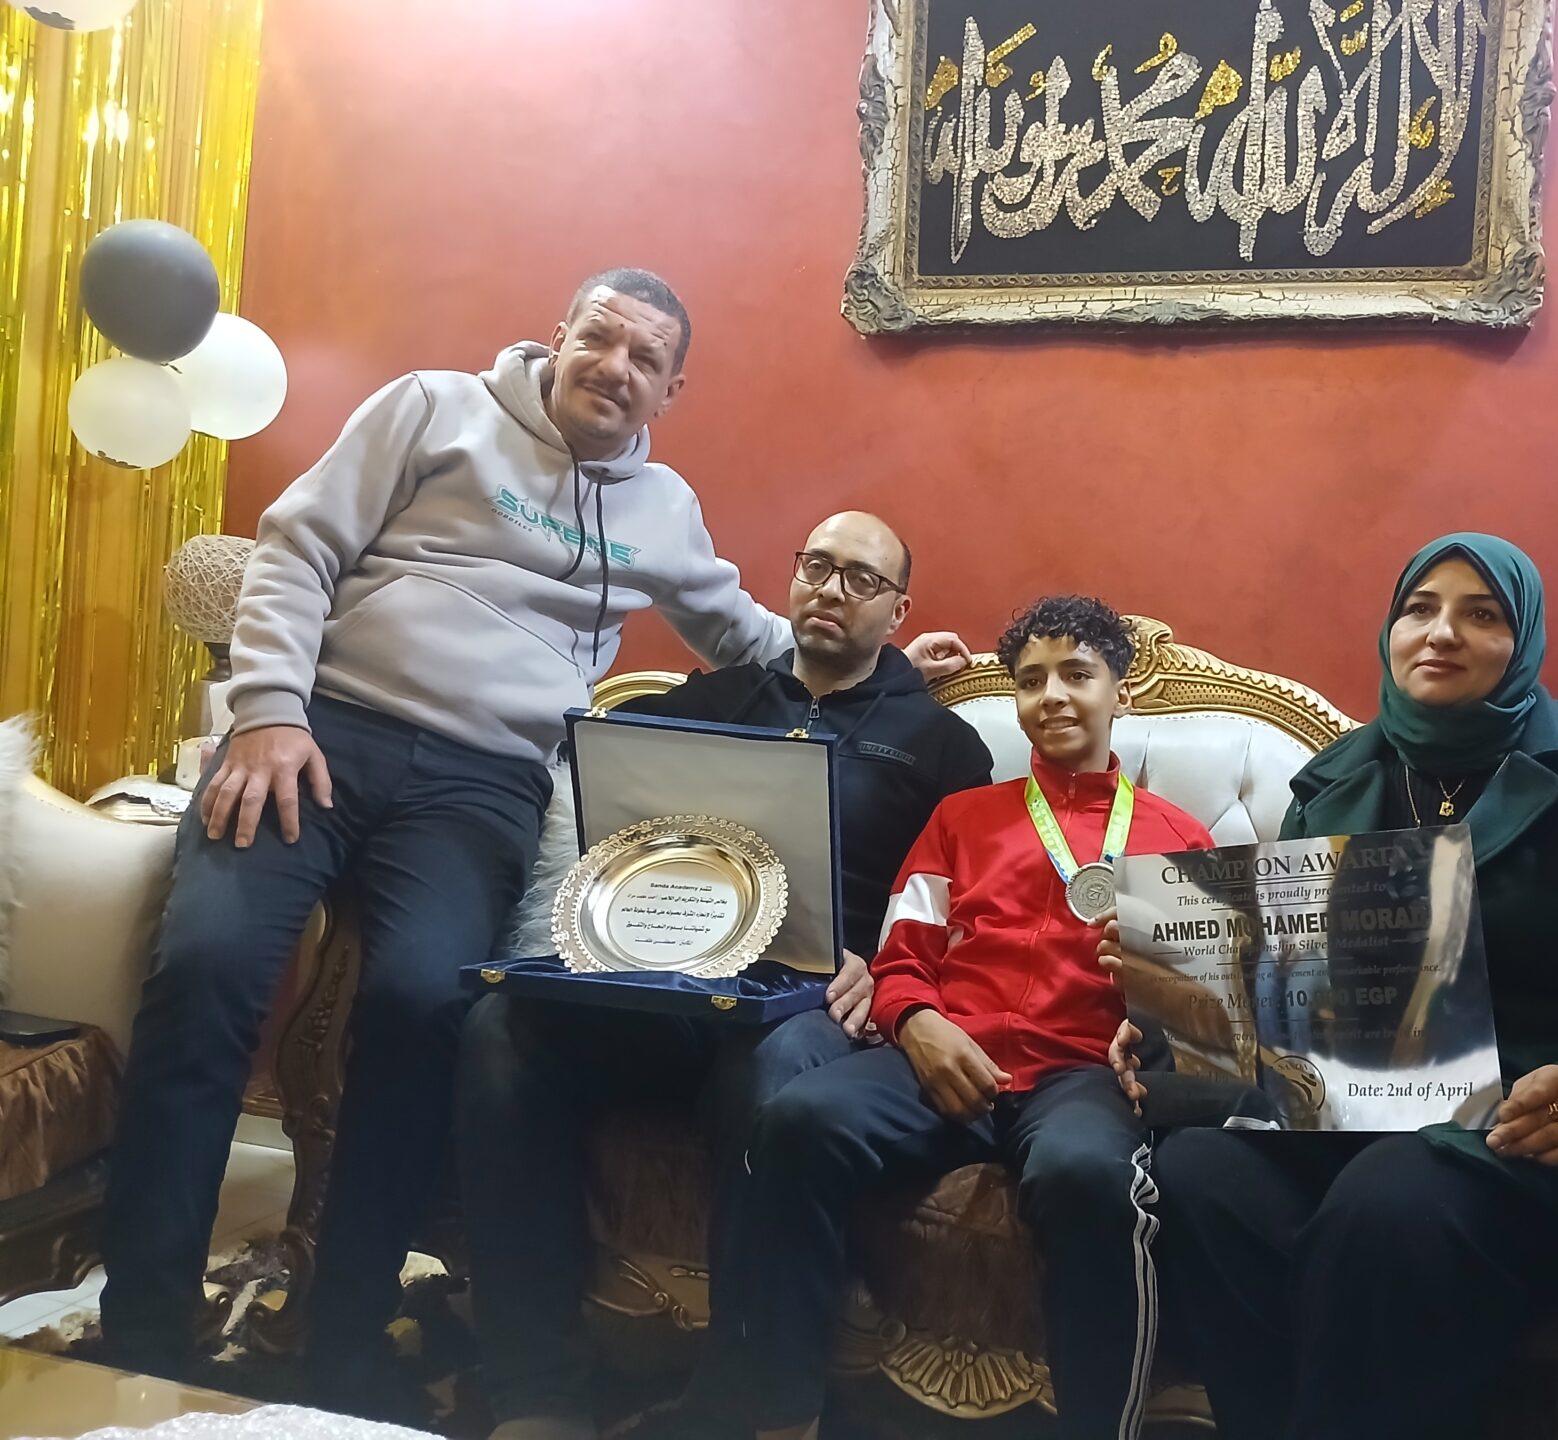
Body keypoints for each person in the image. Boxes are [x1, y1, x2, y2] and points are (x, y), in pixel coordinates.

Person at [97, 269, 965, 1403]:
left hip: (479, 785)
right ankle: (143, 1322)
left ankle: (345, 1336)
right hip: (320, 731)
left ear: (671, 391)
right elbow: (296, 547)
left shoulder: (661, 510)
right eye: (600, 339)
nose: (616, 368)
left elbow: (749, 634)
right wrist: (265, 710)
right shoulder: (431, 407)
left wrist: (887, 663)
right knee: (207, 965)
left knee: (429, 1003)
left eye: (646, 359)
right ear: (559, 338)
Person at [1112, 535, 1558, 1440]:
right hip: (1360, 1110)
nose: (1441, 633)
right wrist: (1179, 1023)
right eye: (1420, 608)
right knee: (1200, 1173)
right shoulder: (1332, 783)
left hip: (1526, 1121)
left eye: (1482, 615)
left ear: (1524, 639)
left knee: (1390, 1203)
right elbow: (1290, 984)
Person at [455, 511, 994, 1440]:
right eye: (816, 565)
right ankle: (535, 1390)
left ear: (899, 610)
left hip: (821, 1000)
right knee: (502, 1032)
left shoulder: (943, 744)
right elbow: (608, 794)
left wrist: (890, 973)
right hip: (673, 981)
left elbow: (962, 908)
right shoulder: (714, 699)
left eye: (861, 579)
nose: (831, 588)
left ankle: (744, 1405)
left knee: (772, 1080)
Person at [733, 596, 1215, 1440]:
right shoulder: (962, 818)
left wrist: (1157, 1029)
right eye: (1031, 680)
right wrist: (917, 1021)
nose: (1052, 696)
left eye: (1077, 674)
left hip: (1081, 1075)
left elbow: (1209, 1010)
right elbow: (900, 956)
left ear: (1122, 693)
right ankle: (782, 1420)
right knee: (796, 1119)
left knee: (1087, 1175)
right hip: (945, 1054)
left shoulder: (1183, 841)